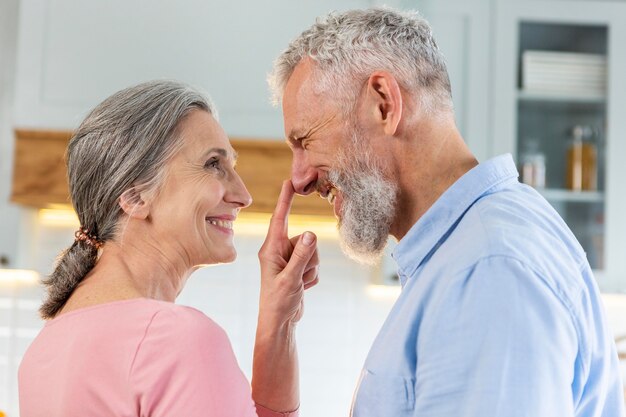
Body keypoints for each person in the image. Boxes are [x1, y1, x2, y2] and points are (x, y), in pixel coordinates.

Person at [268, 7, 625, 417]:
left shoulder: (488, 269)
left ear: (383, 103)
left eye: (305, 140)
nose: (299, 179)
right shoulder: (465, 254)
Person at [18, 80, 319, 416]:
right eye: (213, 165)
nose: (243, 195)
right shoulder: (175, 339)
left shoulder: (45, 348)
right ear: (135, 197)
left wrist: (278, 322)